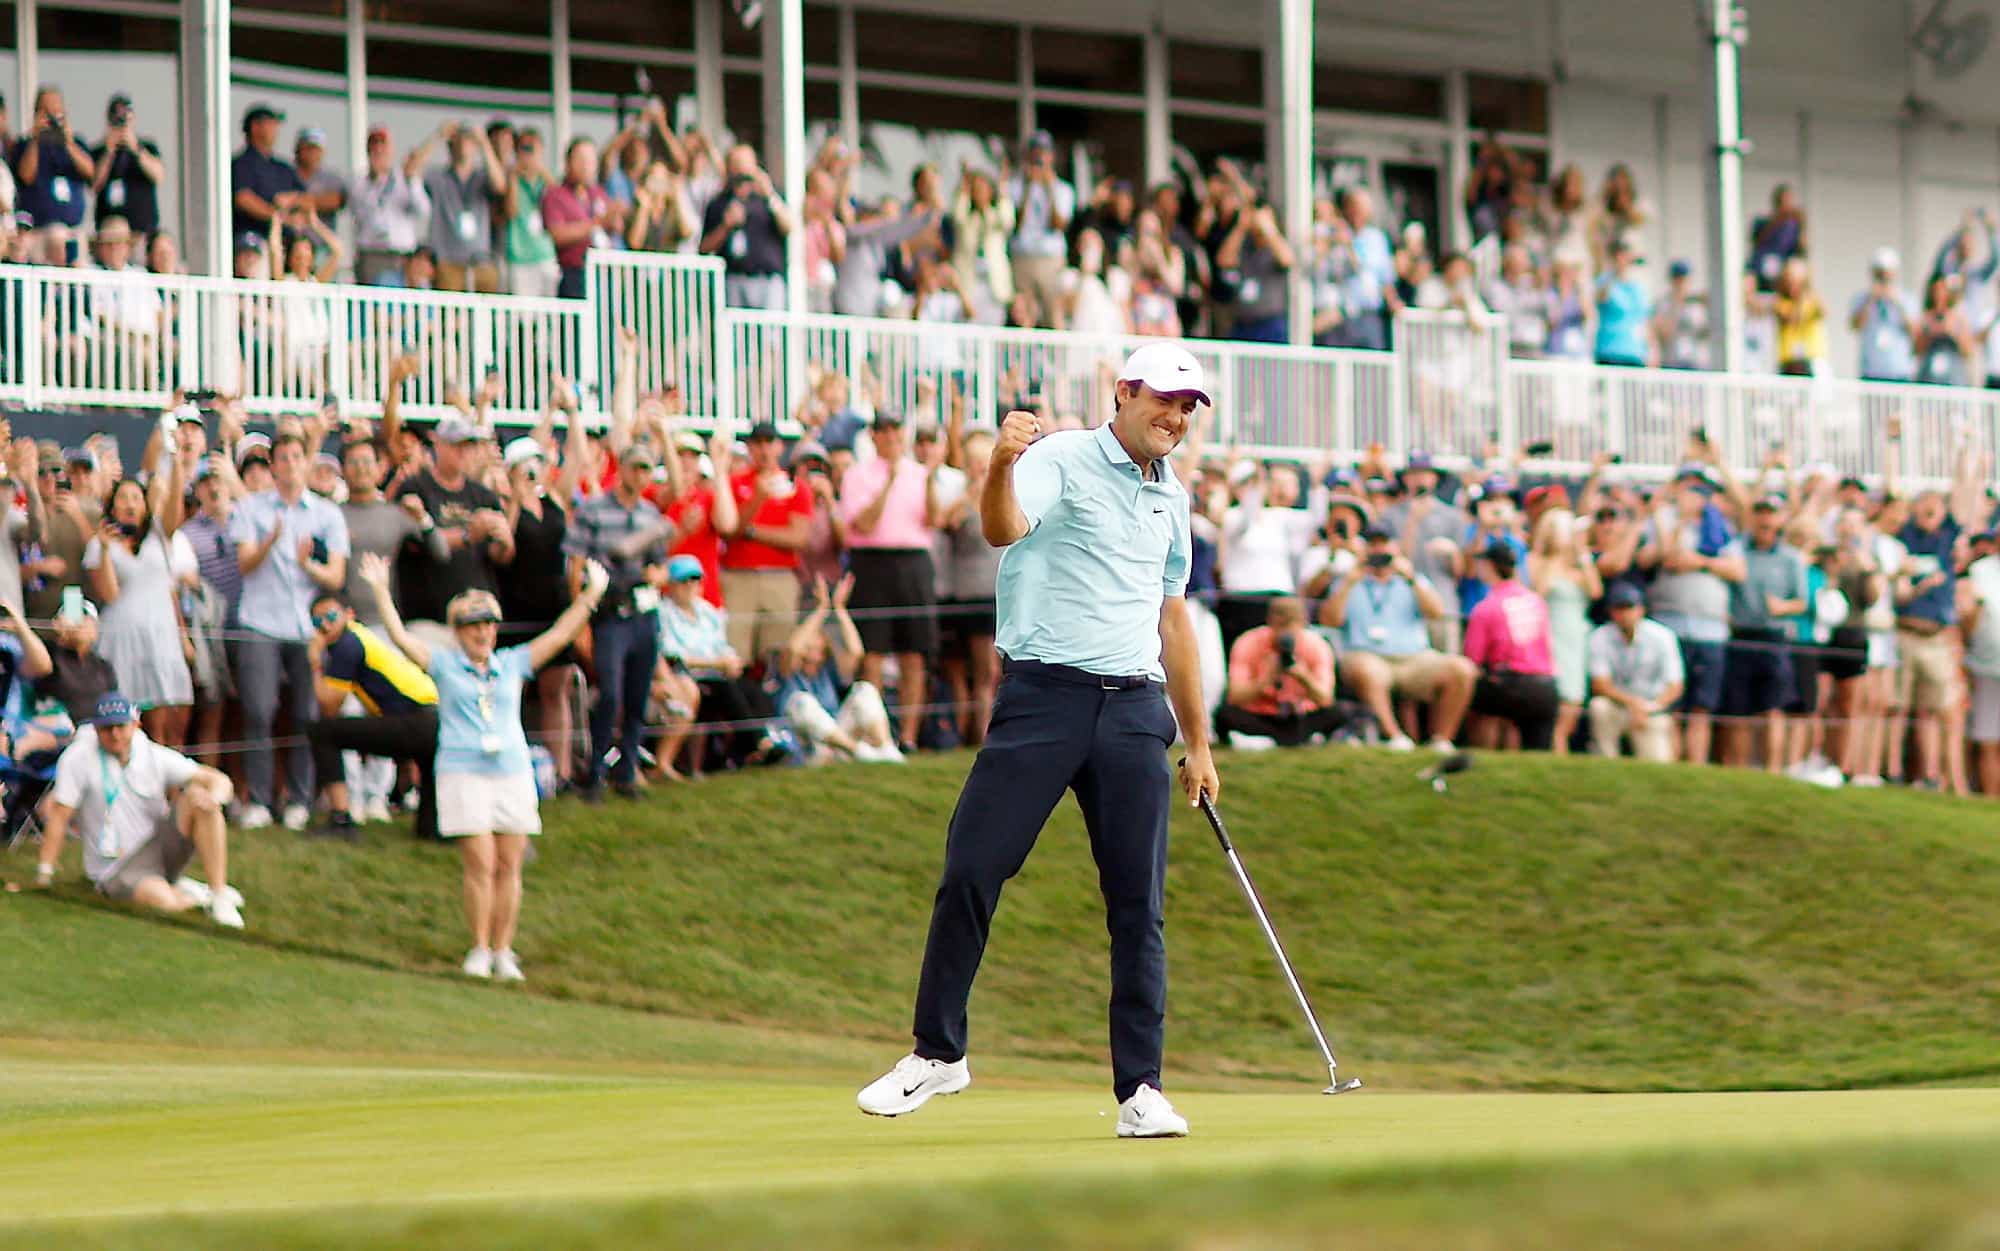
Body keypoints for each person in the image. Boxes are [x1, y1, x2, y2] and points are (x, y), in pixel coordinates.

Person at [856, 342, 1218, 1140]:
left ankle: (1142, 1089)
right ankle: (937, 1053)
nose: (1177, 416)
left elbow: (1174, 619)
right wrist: (996, 463)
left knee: (1138, 906)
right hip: (1043, 697)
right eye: (1164, 398)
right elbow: (1002, 527)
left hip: (1133, 710)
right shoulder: (1058, 456)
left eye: (1189, 406)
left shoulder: (1173, 500)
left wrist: (1199, 740)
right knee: (972, 867)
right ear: (1122, 392)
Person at [359, 551, 607, 981]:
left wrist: (591, 595)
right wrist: (381, 591)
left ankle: (503, 950)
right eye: (474, 625)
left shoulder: (511, 663)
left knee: (510, 865)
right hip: (462, 769)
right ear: (458, 631)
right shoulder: (444, 663)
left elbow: (560, 634)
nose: (483, 633)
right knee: (481, 863)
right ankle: (478, 947)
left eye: (488, 624)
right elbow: (401, 639)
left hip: (510, 769)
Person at [227, 433, 352, 830]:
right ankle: (260, 802)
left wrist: (307, 565)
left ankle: (299, 799)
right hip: (259, 622)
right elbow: (244, 565)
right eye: (282, 458)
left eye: (297, 456)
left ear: (305, 463)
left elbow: (335, 575)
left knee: (306, 714)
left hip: (306, 628)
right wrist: (270, 542)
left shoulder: (326, 514)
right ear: (274, 465)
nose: (290, 464)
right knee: (259, 712)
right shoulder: (250, 508)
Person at [34, 693, 243, 929]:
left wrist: (214, 797)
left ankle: (218, 894)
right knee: (163, 901)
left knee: (200, 797)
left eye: (120, 727)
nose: (114, 735)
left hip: (157, 848)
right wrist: (44, 872)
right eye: (106, 728)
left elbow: (219, 780)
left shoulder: (152, 754)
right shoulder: (78, 758)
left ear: (135, 725)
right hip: (115, 868)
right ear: (95, 729)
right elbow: (60, 815)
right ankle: (194, 896)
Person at [565, 442, 675, 801]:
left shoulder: (649, 514)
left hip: (643, 610)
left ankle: (627, 773)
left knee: (637, 696)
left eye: (646, 469)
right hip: (609, 612)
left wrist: (657, 575)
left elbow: (660, 563)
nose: (640, 475)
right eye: (635, 468)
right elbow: (575, 564)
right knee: (610, 695)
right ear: (622, 469)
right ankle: (595, 772)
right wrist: (579, 617)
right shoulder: (594, 510)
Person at [1320, 525, 1476, 752]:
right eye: (1373, 546)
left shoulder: (1412, 580)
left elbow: (1436, 613)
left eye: (1384, 545)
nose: (1379, 551)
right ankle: (1394, 737)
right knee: (1369, 672)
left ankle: (1441, 740)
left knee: (1462, 669)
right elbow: (1329, 620)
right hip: (1367, 655)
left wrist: (1411, 578)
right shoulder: (1349, 580)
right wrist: (1349, 581)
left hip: (1414, 658)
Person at [838, 412, 939, 753]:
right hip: (873, 562)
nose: (892, 436)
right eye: (885, 430)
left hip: (913, 562)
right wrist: (889, 482)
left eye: (897, 429)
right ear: (874, 436)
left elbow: (934, 520)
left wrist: (928, 479)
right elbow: (863, 524)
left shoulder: (919, 472)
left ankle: (908, 737)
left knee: (914, 654)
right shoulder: (857, 474)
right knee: (874, 653)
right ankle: (875, 734)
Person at [304, 589, 440, 842]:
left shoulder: (347, 645)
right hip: (433, 720)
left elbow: (329, 706)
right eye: (316, 621)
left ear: (349, 614)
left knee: (323, 731)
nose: (324, 625)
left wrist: (315, 662)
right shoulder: (358, 636)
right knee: (430, 829)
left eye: (331, 616)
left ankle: (341, 820)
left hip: (417, 723)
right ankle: (434, 828)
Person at [83, 473, 194, 746]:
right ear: (112, 507)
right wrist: (106, 550)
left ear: (145, 505)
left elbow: (171, 592)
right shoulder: (99, 544)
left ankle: (171, 785)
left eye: (136, 497)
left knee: (170, 721)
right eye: (123, 498)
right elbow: (109, 593)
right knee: (130, 722)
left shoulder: (161, 536)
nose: (130, 504)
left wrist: (175, 460)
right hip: (122, 641)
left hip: (162, 637)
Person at [775, 574, 900, 763]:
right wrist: (822, 608)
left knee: (864, 690)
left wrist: (840, 609)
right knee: (802, 701)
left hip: (836, 744)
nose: (813, 654)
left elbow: (857, 653)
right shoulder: (788, 672)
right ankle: (860, 752)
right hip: (807, 747)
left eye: (818, 649)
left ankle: (887, 750)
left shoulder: (828, 670)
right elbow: (793, 648)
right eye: (809, 648)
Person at [722, 421, 812, 666]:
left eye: (769, 443)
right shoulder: (735, 482)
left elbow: (798, 538)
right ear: (750, 447)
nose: (764, 450)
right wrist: (758, 499)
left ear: (780, 447)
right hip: (739, 575)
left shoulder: (796, 487)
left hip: (779, 576)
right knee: (735, 651)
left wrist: (752, 532)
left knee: (778, 654)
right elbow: (729, 529)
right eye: (758, 443)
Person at [1462, 541, 1560, 751]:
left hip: (1509, 685)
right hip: (1545, 686)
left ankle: (1483, 758)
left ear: (1489, 566)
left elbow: (1473, 659)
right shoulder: (1536, 601)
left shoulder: (1486, 607)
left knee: (1479, 698)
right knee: (1538, 753)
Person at [1216, 595, 1339, 748]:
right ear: (1270, 622)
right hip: (1261, 713)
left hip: (1300, 714)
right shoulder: (1248, 642)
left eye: (1291, 625)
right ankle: (1291, 738)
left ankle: (1269, 740)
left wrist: (1303, 676)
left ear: (1303, 623)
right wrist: (1265, 680)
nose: (1285, 632)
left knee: (1337, 713)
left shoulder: (1316, 646)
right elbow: (1235, 697)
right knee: (1225, 715)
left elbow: (1325, 698)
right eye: (1281, 625)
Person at [1587, 584, 1685, 761]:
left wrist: (1649, 707)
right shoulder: (1600, 636)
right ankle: (1605, 762)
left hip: (1652, 708)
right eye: (1619, 608)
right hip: (1618, 706)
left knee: (1658, 764)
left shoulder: (1662, 636)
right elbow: (1600, 685)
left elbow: (1675, 685)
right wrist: (1633, 703)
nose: (1624, 614)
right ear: (1611, 612)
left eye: (1629, 608)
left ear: (1641, 610)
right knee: (1599, 707)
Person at [88, 94, 163, 237]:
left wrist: (136, 148)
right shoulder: (99, 152)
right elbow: (94, 184)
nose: (121, 125)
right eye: (117, 119)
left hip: (142, 228)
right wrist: (109, 152)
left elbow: (158, 176)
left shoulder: (147, 147)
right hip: (109, 231)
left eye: (125, 119)